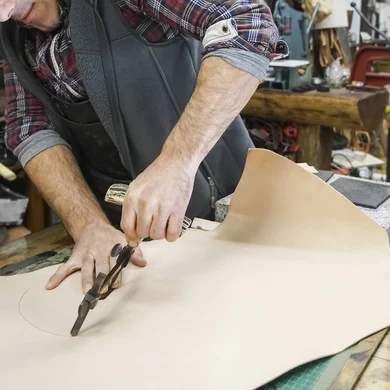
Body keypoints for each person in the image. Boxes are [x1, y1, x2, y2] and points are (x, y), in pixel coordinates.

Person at [0, 0, 287, 292]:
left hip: (223, 216)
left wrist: (176, 162)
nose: (2, 15)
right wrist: (88, 227)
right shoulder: (11, 32)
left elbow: (247, 23)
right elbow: (28, 126)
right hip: (125, 238)